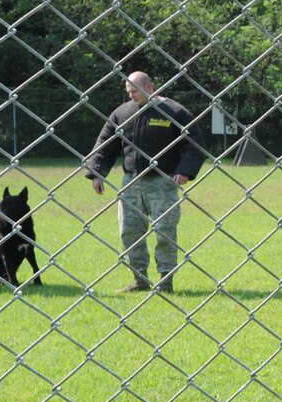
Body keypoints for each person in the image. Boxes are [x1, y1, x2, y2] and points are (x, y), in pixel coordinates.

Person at [86, 71, 203, 293]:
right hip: (130, 183)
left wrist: (184, 171)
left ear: (150, 87)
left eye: (135, 91)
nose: (132, 96)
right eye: (128, 92)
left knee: (164, 231)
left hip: (163, 182)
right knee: (129, 232)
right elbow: (105, 144)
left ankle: (165, 281)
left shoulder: (174, 112)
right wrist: (97, 173)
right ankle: (140, 281)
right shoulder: (122, 113)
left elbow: (194, 144)